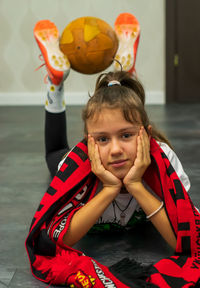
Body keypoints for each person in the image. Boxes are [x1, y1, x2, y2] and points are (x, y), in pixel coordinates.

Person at [25, 18, 200, 288]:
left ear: (146, 134)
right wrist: (108, 189)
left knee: (123, 110)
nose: (116, 149)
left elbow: (185, 241)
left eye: (127, 135)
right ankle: (55, 83)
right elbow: (58, 241)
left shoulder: (163, 159)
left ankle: (126, 73)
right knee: (54, 154)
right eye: (103, 139)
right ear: (88, 142)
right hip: (88, 170)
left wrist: (135, 185)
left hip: (140, 163)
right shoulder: (79, 161)